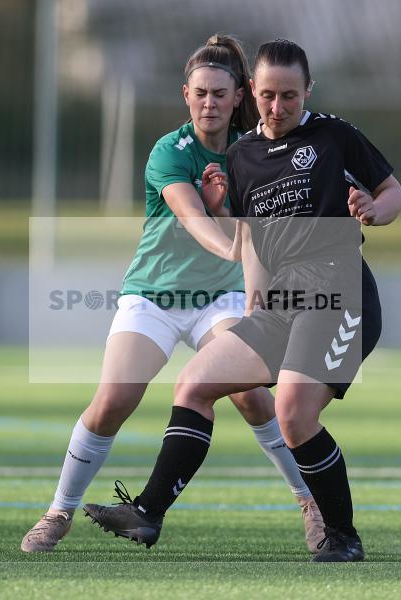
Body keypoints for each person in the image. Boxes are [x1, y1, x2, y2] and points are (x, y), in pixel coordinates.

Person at [84, 39, 401, 562]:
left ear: (308, 92)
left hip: (338, 292)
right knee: (194, 384)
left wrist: (374, 207)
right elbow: (247, 243)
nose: (278, 108)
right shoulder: (241, 155)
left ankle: (342, 538)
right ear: (251, 93)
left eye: (290, 97)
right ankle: (148, 514)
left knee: (293, 413)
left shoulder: (335, 135)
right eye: (269, 96)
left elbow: (394, 193)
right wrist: (220, 215)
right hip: (278, 301)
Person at [21, 34, 324, 554]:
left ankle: (311, 504)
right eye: (200, 93)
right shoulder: (170, 151)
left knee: (251, 396)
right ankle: (58, 512)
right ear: (186, 95)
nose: (209, 103)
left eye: (219, 94)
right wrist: (223, 227)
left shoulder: (252, 151)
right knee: (115, 398)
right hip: (155, 295)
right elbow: (192, 218)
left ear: (237, 98)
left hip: (222, 298)